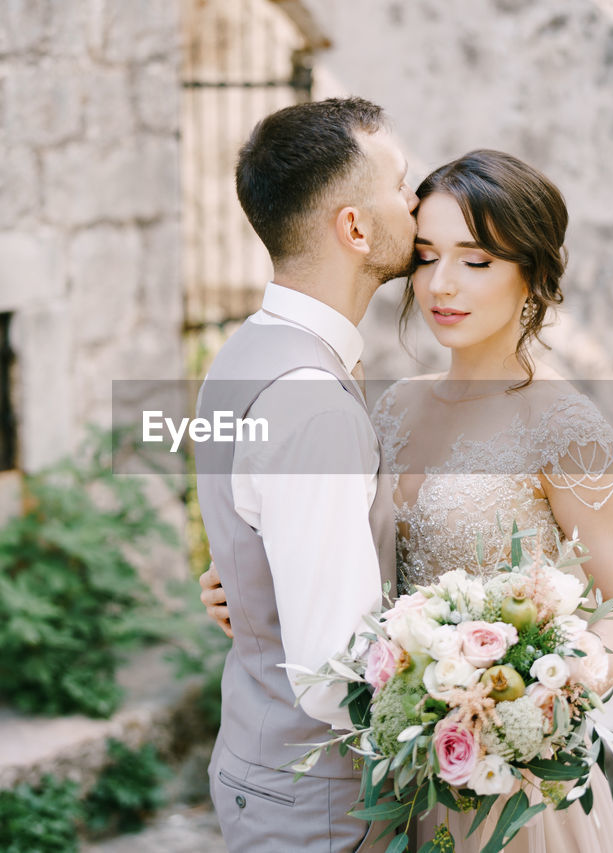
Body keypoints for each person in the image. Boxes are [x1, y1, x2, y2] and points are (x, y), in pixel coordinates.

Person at [201, 149, 613, 852]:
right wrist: (253, 586)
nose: (442, 285)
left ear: (531, 272)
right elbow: (349, 561)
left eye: (476, 261)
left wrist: (534, 703)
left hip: (512, 787)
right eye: (427, 256)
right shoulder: (394, 408)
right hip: (401, 772)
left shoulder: (565, 426)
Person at [193, 96, 418, 852]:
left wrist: (251, 591)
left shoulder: (249, 349)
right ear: (354, 227)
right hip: (320, 808)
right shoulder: (311, 401)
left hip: (264, 765)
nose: (415, 205)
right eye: (402, 185)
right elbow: (335, 678)